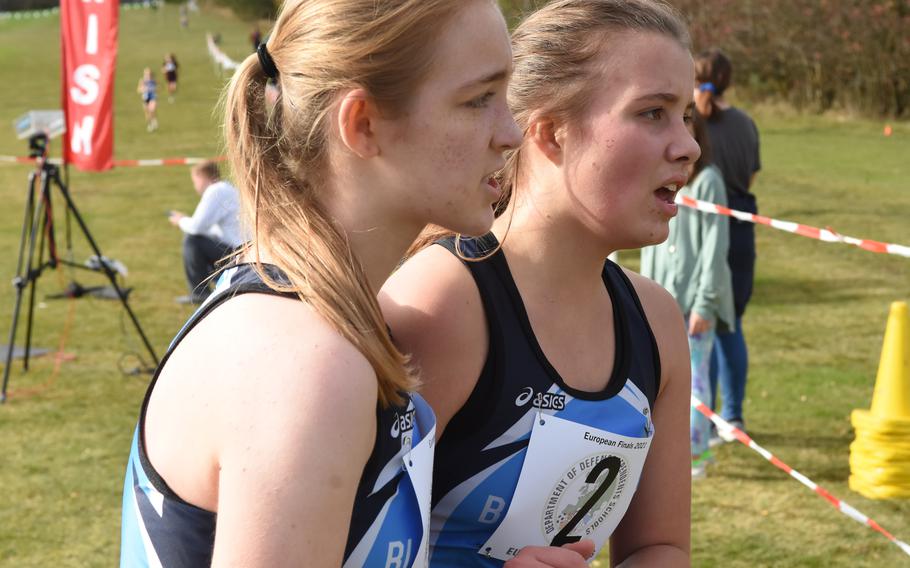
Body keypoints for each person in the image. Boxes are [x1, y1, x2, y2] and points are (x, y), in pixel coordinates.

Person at [119, 0, 521, 566]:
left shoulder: (309, 317)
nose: (512, 131)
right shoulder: (305, 363)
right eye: (479, 98)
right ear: (362, 125)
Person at [381, 0, 698, 565]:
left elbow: (660, 545)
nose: (688, 147)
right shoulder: (441, 305)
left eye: (687, 116)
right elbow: (331, 542)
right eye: (653, 113)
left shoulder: (656, 320)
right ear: (550, 134)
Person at [640, 111, 735, 478]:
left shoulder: (709, 181)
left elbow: (715, 245)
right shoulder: (661, 178)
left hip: (695, 304)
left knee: (696, 380)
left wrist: (705, 303)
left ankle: (696, 453)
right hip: (663, 299)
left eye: (686, 122)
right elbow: (652, 241)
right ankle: (665, 449)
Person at [694, 48, 762, 441]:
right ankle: (732, 418)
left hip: (703, 225)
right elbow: (750, 177)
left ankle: (708, 417)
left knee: (705, 323)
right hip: (739, 226)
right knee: (729, 322)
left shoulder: (691, 122)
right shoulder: (747, 123)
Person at [168, 160, 244, 304]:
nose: (195, 186)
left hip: (238, 254)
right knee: (198, 239)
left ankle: (199, 294)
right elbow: (209, 228)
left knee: (192, 240)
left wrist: (180, 221)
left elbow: (197, 227)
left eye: (195, 181)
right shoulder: (226, 188)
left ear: (202, 177)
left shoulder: (215, 190)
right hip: (242, 251)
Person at [136, 68, 158, 132]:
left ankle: (154, 121)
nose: (148, 75)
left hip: (152, 97)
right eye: (146, 74)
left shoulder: (154, 81)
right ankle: (150, 124)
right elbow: (138, 90)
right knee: (147, 113)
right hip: (145, 98)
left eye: (149, 74)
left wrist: (154, 89)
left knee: (152, 109)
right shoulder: (142, 81)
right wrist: (143, 89)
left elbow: (159, 88)